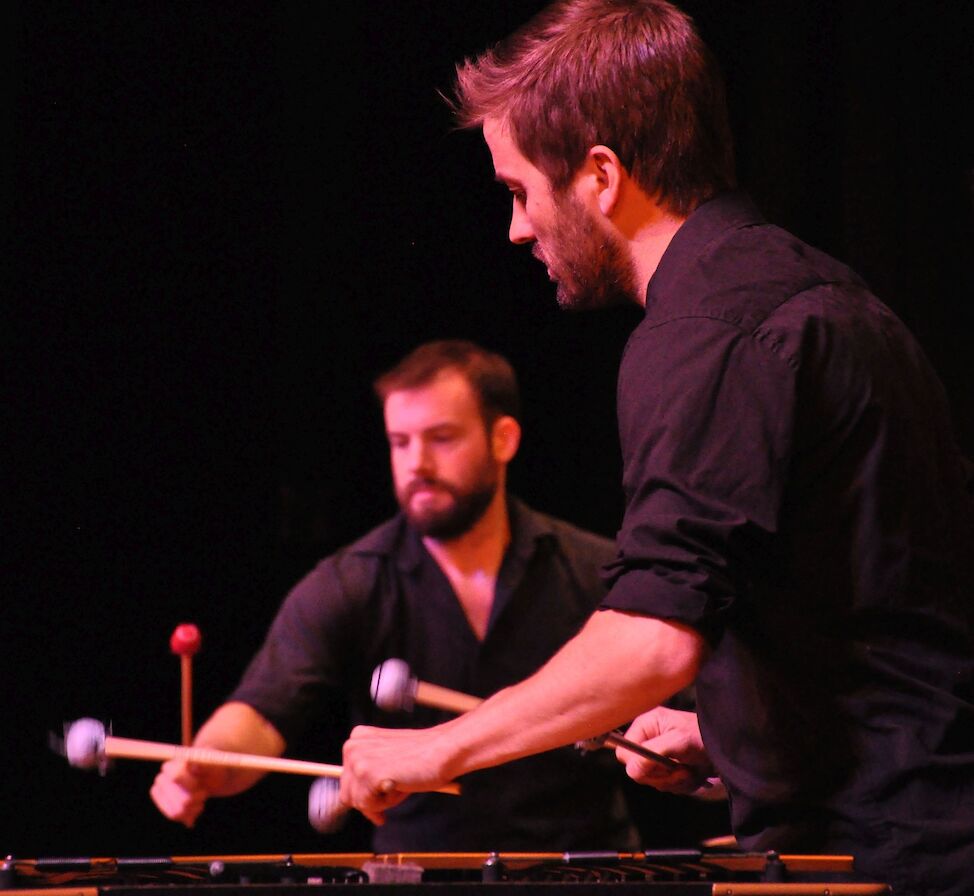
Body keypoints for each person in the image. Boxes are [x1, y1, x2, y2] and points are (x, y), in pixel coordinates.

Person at [338, 3, 974, 894]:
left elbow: (652, 642)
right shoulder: (837, 298)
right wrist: (732, 735)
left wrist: (435, 749)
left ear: (601, 174)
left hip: (878, 861)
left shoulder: (704, 334)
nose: (517, 229)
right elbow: (879, 615)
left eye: (520, 190)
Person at [149, 338, 643, 852]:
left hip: (587, 868)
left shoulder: (595, 571)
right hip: (420, 875)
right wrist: (207, 763)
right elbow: (261, 714)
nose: (417, 464)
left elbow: (689, 723)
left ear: (504, 438)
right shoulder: (350, 583)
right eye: (400, 442)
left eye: (442, 438)